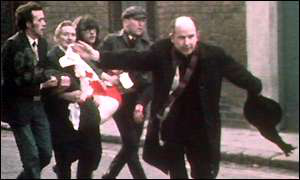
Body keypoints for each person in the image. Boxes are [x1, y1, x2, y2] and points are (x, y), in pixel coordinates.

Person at [72, 16, 295, 179]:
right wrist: (99, 55)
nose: (187, 43)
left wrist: (255, 89)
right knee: (177, 174)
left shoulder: (214, 55)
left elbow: (241, 75)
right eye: (181, 38)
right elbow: (135, 59)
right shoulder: (160, 51)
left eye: (191, 37)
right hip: (172, 127)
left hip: (202, 128)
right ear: (172, 37)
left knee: (203, 174)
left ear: (197, 35)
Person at [1, 2, 60, 179]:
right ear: (28, 24)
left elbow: (47, 68)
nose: (44, 23)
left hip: (38, 105)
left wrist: (49, 77)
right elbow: (21, 78)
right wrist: (44, 80)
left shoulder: (42, 44)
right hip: (18, 108)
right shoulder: (13, 45)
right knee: (31, 157)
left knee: (45, 153)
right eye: (40, 20)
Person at [100, 6, 152, 179]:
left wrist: (141, 104)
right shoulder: (111, 41)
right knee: (130, 142)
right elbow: (98, 64)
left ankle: (109, 176)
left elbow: (149, 80)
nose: (141, 24)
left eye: (143, 20)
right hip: (118, 97)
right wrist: (109, 74)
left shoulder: (147, 45)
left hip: (138, 100)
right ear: (125, 21)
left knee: (132, 144)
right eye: (137, 20)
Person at [43, 20, 81, 179]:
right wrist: (66, 96)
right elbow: (46, 89)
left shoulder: (77, 56)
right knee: (63, 155)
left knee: (80, 149)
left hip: (76, 112)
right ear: (56, 37)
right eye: (65, 34)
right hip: (57, 113)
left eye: (72, 34)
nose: (69, 38)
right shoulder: (52, 57)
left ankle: (60, 167)